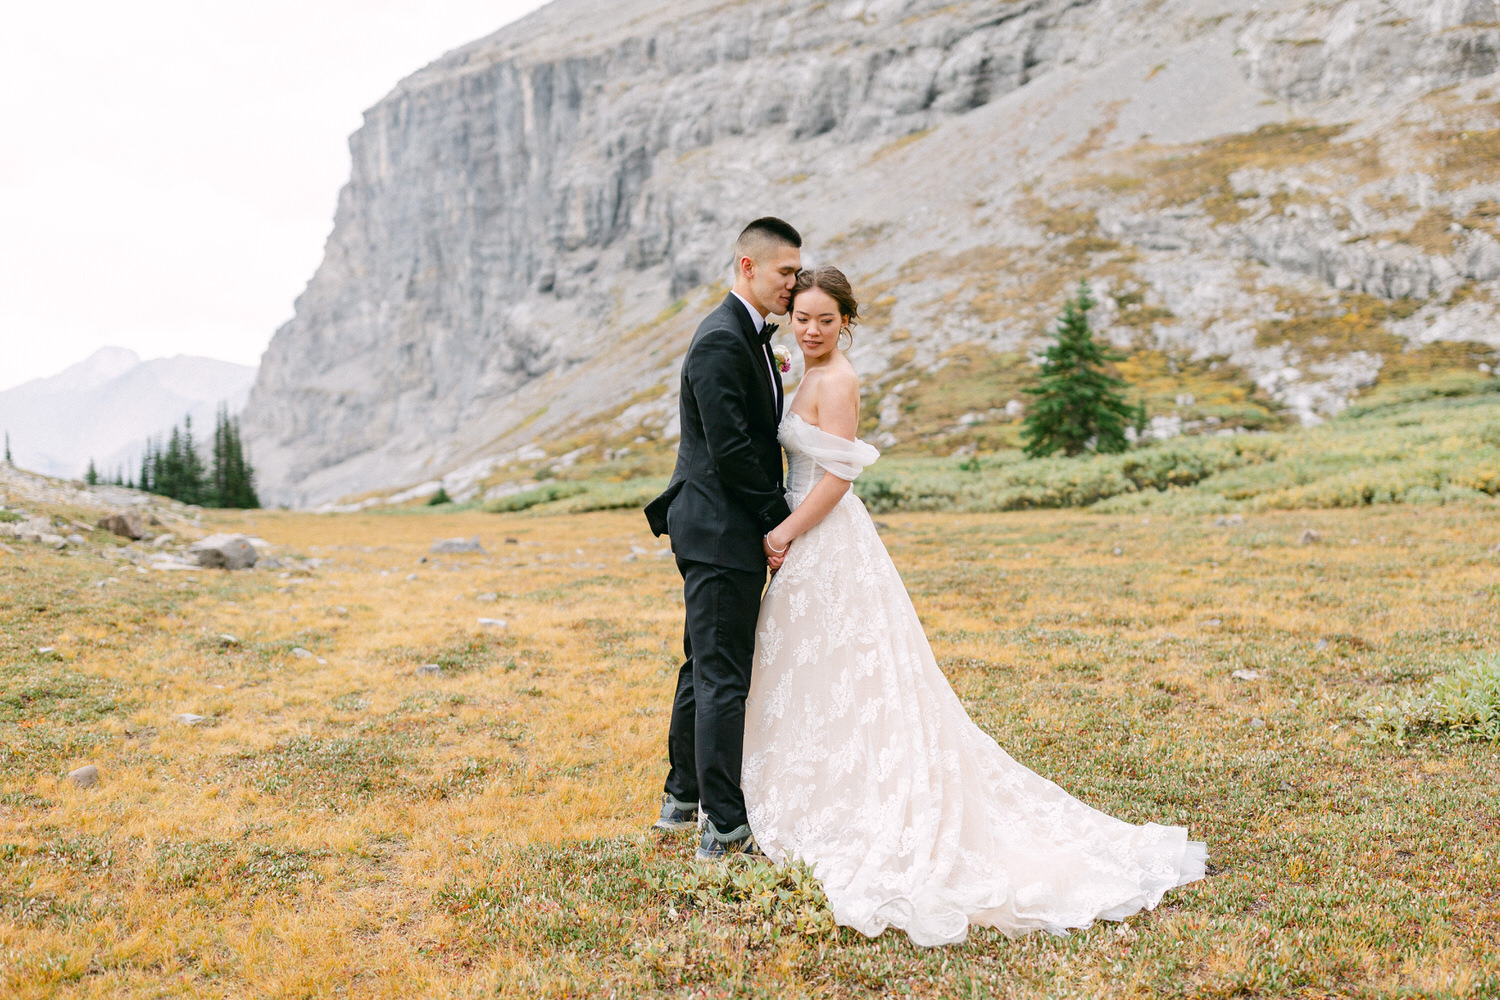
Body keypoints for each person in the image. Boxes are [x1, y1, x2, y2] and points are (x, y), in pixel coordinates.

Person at [742, 266, 1208, 946]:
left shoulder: (839, 380)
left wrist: (784, 531)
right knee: (823, 672)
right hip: (811, 536)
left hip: (822, 532)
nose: (811, 330)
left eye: (825, 319)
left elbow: (839, 477)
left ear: (848, 321)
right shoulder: (806, 370)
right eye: (802, 317)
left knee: (850, 669)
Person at [644, 217, 803, 859]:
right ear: (748, 266)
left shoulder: (752, 335)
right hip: (717, 527)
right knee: (722, 676)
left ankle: (681, 799)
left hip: (719, 525)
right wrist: (777, 519)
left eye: (796, 273)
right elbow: (733, 449)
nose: (793, 283)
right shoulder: (719, 339)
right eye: (785, 272)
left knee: (702, 664)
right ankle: (725, 824)